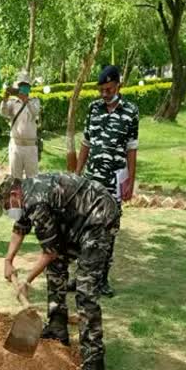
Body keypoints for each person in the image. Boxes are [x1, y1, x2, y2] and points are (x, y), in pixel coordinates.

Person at [0, 173, 120, 370]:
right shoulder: (26, 196)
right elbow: (20, 228)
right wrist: (8, 260)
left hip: (98, 218)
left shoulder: (36, 202)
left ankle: (94, 363)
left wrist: (26, 280)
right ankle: (57, 326)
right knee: (56, 269)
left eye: (6, 205)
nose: (8, 210)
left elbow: (49, 251)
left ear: (14, 194)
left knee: (85, 290)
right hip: (77, 220)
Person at [75, 65, 139, 297]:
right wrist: (77, 172)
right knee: (84, 229)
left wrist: (130, 180)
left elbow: (131, 148)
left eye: (109, 89)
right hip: (92, 181)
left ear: (118, 86)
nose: (104, 94)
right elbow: (86, 143)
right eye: (101, 90)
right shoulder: (93, 109)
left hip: (114, 181)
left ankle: (102, 280)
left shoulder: (131, 112)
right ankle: (82, 277)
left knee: (108, 231)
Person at [0, 73, 41, 179]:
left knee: (32, 179)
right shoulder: (13, 102)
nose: (24, 87)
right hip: (16, 146)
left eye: (26, 85)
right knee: (15, 178)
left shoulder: (34, 101)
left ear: (29, 87)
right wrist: (4, 100)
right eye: (22, 85)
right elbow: (3, 113)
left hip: (31, 147)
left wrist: (26, 101)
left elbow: (35, 112)